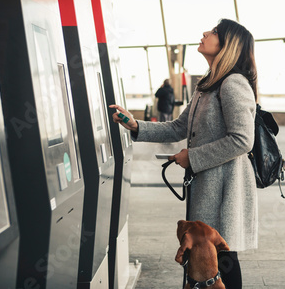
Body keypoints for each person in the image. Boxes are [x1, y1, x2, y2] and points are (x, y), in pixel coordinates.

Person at [110, 19, 258, 288]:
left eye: (214, 32)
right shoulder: (208, 84)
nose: (205, 33)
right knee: (205, 257)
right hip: (209, 185)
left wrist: (193, 157)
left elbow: (243, 140)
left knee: (221, 259)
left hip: (225, 188)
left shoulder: (233, 84)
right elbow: (179, 127)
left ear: (228, 45)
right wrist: (135, 125)